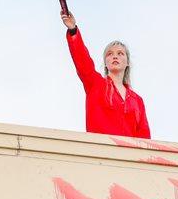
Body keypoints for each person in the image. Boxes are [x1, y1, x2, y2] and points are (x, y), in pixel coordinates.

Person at [61, 9, 151, 138]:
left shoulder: (137, 101)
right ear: (105, 62)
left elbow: (144, 136)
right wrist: (73, 30)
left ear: (127, 63)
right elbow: (82, 60)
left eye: (120, 53)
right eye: (110, 54)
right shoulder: (95, 84)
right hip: (101, 153)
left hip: (128, 157)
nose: (115, 56)